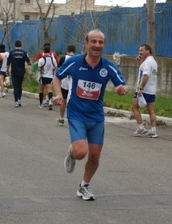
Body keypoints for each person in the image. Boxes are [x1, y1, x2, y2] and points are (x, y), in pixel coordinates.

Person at [53, 29, 129, 201]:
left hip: (96, 118)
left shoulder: (108, 66)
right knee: (81, 152)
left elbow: (122, 85)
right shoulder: (74, 62)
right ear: (86, 44)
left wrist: (121, 89)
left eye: (100, 42)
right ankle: (71, 154)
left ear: (104, 45)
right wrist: (58, 94)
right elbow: (57, 77)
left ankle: (84, 186)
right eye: (93, 41)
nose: (97, 45)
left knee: (94, 155)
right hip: (76, 114)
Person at [132, 44, 158, 138]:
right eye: (139, 50)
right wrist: (139, 62)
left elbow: (146, 75)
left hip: (144, 90)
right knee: (151, 110)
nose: (140, 52)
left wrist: (141, 88)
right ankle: (153, 130)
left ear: (148, 51)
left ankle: (141, 128)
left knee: (134, 107)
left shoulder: (147, 62)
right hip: (152, 90)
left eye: (142, 50)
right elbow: (144, 71)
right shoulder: (152, 61)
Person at [6, 40, 32, 107]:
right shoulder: (24, 53)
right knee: (20, 86)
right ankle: (19, 100)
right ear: (21, 45)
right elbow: (29, 63)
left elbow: (8, 63)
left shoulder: (11, 52)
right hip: (21, 72)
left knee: (16, 87)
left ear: (15, 45)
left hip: (14, 72)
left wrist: (7, 70)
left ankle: (16, 101)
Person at [56, 44, 76, 125]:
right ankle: (72, 121)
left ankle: (61, 118)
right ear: (74, 51)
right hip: (74, 82)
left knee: (63, 100)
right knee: (73, 101)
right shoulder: (77, 59)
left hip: (64, 82)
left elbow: (58, 70)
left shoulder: (63, 58)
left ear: (67, 50)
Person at [35, 42, 59, 107]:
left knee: (41, 90)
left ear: (43, 50)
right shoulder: (53, 58)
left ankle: (41, 103)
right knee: (49, 90)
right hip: (50, 76)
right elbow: (56, 66)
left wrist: (38, 71)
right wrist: (53, 70)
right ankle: (50, 101)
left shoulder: (41, 58)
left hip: (43, 76)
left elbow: (38, 68)